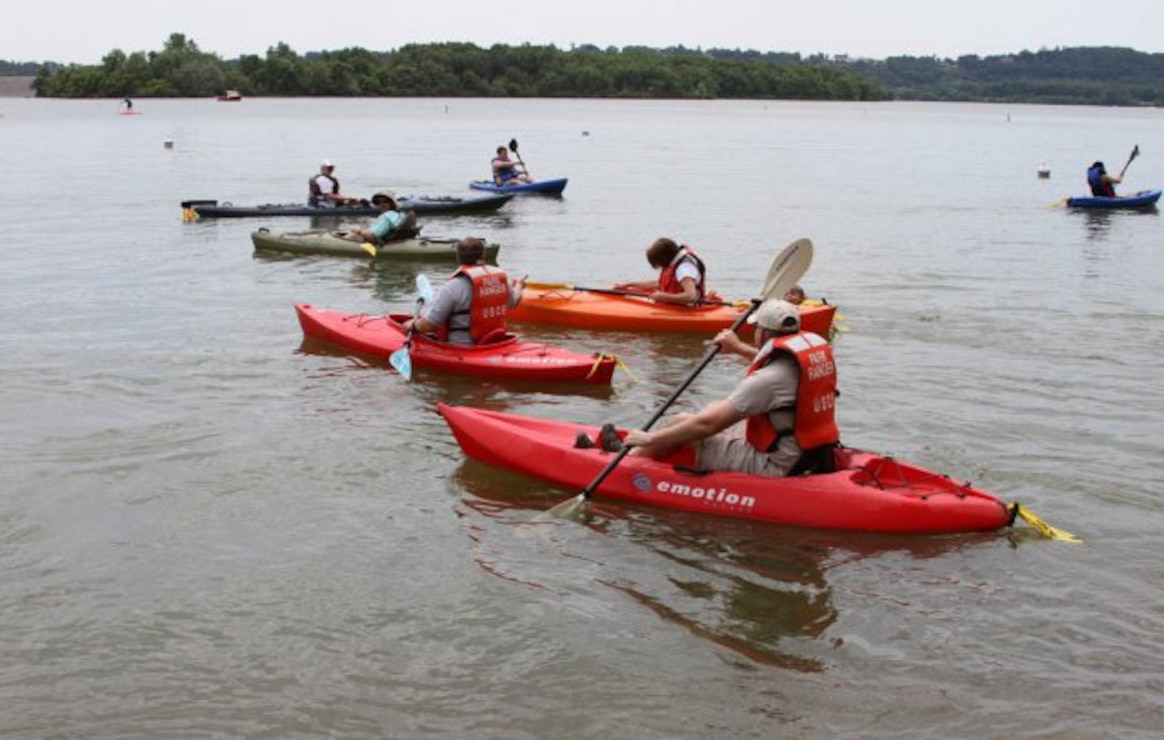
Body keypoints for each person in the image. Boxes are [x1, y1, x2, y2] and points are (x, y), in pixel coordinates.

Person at [621, 299, 839, 478]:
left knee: (681, 422)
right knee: (715, 407)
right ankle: (637, 451)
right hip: (812, 453)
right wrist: (737, 348)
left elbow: (707, 425)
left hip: (778, 465)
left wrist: (650, 439)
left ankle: (624, 465)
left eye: (756, 328)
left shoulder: (766, 381)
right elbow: (776, 371)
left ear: (762, 334)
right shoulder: (807, 361)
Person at [401, 237, 525, 346]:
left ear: (458, 257)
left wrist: (411, 325)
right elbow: (514, 302)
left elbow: (428, 325)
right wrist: (519, 286)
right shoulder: (499, 279)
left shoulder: (452, 287)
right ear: (482, 255)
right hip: (495, 340)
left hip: (464, 347)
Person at [612, 237, 708, 306]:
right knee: (635, 292)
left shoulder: (684, 269)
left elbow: (691, 296)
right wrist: (628, 285)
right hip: (675, 306)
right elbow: (660, 283)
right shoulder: (676, 260)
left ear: (664, 259)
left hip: (687, 310)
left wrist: (663, 297)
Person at [342, 192, 418, 244]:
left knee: (354, 234)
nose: (382, 204)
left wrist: (359, 231)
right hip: (395, 238)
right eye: (379, 202)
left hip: (380, 242)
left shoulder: (387, 216)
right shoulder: (400, 214)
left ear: (391, 203)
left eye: (385, 202)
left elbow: (374, 235)